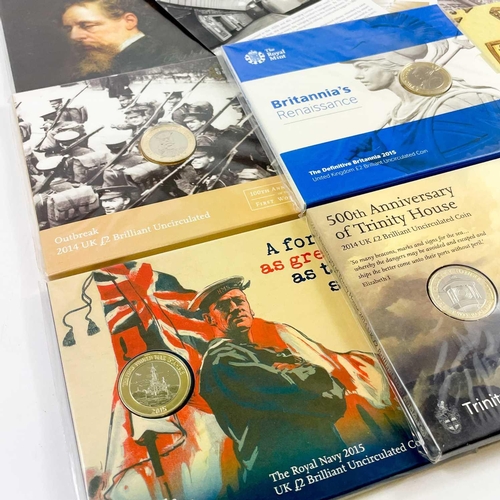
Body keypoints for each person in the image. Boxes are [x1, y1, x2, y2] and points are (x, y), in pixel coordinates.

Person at [191, 277, 394, 495]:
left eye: (239, 301)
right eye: (223, 306)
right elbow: (317, 397)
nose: (235, 308)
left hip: (325, 467)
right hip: (284, 476)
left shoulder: (263, 353)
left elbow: (334, 395)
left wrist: (305, 374)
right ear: (208, 319)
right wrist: (309, 373)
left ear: (250, 308)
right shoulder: (222, 360)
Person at [348, 38, 500, 171]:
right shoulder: (396, 115)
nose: (357, 76)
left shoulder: (451, 104)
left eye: (364, 67)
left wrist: (386, 157)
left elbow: (471, 162)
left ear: (392, 66)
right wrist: (382, 157)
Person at [61, 0, 193, 79]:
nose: (74, 36)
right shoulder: (102, 61)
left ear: (129, 21)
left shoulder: (164, 58)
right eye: (68, 29)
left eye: (87, 26)